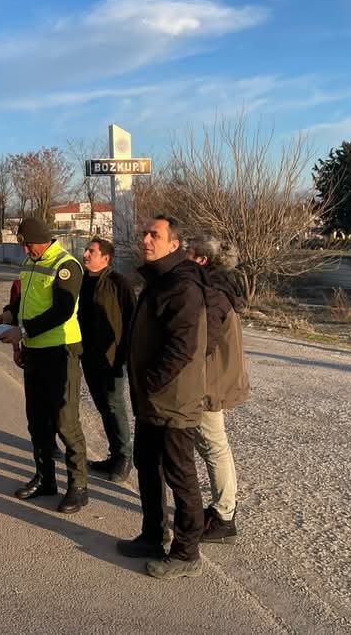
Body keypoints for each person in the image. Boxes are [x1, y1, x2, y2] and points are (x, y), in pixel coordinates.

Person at [120, 215, 207, 579]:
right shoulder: (159, 279)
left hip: (173, 399)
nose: (146, 240)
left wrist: (150, 381)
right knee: (146, 466)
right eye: (145, 234)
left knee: (180, 474)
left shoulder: (182, 285)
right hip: (153, 398)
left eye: (155, 235)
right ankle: (153, 534)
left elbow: (182, 345)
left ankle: (187, 554)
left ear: (174, 244)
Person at [0, 217, 89, 514]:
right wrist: (8, 316)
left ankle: (78, 486)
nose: (25, 249)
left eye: (28, 244)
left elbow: (61, 311)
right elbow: (24, 301)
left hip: (61, 352)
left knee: (65, 421)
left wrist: (23, 331)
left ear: (42, 239)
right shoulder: (29, 264)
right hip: (35, 351)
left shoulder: (67, 265)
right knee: (37, 420)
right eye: (22, 244)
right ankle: (45, 478)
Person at [186, 237, 250, 544]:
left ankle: (224, 514)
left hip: (208, 380)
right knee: (212, 445)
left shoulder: (210, 293)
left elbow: (201, 344)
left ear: (200, 260)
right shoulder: (219, 286)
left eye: (188, 251)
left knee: (214, 446)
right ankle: (221, 509)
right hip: (213, 376)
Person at [79, 237, 137, 482]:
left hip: (112, 357)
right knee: (103, 407)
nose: (85, 254)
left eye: (91, 251)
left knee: (115, 406)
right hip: (88, 355)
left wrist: (124, 354)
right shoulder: (81, 281)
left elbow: (132, 320)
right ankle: (113, 455)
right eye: (86, 250)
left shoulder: (118, 282)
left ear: (106, 258)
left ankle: (124, 457)